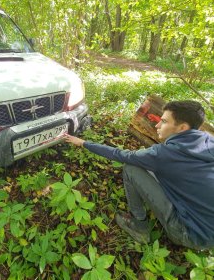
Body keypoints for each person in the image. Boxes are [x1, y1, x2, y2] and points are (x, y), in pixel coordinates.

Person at [65, 100, 214, 250]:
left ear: (182, 127)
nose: (157, 125)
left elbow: (121, 155)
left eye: (163, 121)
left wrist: (83, 143)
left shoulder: (163, 154)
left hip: (191, 235)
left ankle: (139, 225)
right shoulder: (209, 141)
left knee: (131, 168)